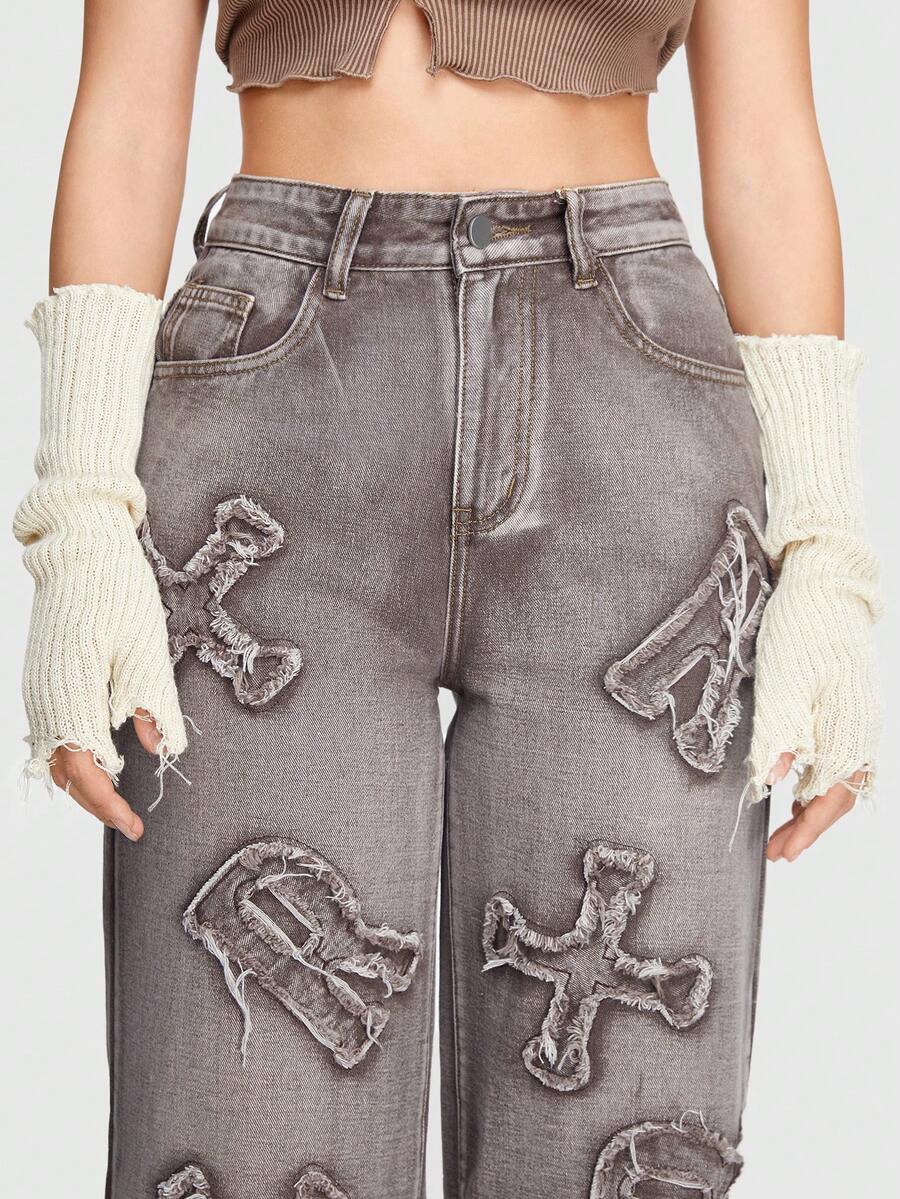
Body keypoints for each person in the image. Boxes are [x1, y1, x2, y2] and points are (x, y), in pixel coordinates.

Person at [13, 2, 881, 1196]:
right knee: (238, 1142)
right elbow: (125, 109)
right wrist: (78, 507)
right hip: (274, 421)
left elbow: (767, 143)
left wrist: (826, 539)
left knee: (617, 1142)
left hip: (629, 414)